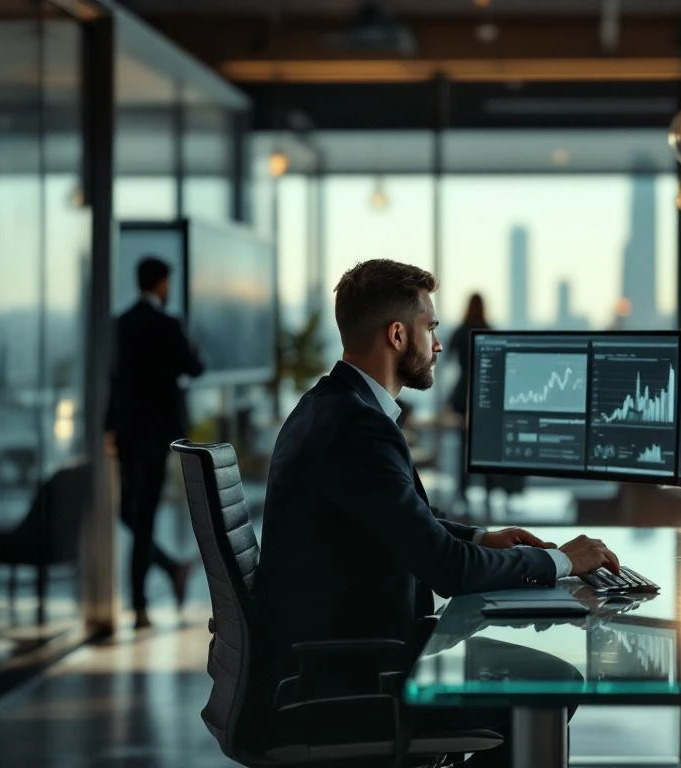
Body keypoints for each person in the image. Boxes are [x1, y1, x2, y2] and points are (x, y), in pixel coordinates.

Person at [251, 259, 621, 764]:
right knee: (549, 686)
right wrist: (562, 562)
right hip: (352, 679)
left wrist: (481, 537)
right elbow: (446, 568)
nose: (440, 344)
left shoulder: (329, 405)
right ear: (398, 335)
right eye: (431, 328)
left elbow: (396, 521)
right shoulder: (358, 428)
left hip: (340, 655)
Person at [104, 256, 203, 629]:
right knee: (141, 514)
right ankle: (151, 593)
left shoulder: (121, 324)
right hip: (158, 432)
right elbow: (195, 367)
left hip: (128, 431)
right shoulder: (168, 324)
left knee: (131, 513)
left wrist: (109, 427)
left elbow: (114, 380)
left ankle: (149, 594)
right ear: (161, 283)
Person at [447, 293, 490, 501]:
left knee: (464, 446)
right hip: (484, 391)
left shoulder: (460, 331)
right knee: (486, 445)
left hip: (462, 393)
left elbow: (447, 358)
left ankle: (462, 491)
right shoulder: (488, 330)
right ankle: (489, 491)